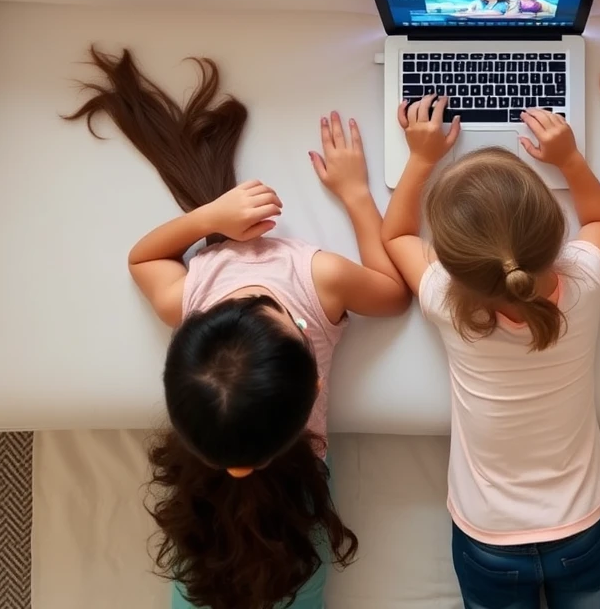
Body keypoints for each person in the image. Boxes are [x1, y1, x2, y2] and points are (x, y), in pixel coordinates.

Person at [65, 47, 411, 609]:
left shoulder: (195, 290)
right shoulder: (318, 278)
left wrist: (207, 218)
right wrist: (355, 195)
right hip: (295, 505)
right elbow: (394, 294)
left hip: (207, 504)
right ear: (314, 391)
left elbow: (141, 261)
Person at [380, 94, 600, 609]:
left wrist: (421, 158)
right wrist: (570, 159)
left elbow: (396, 233)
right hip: (582, 526)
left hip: (487, 537)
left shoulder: (445, 300)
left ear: (449, 264)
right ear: (555, 233)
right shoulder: (583, 280)